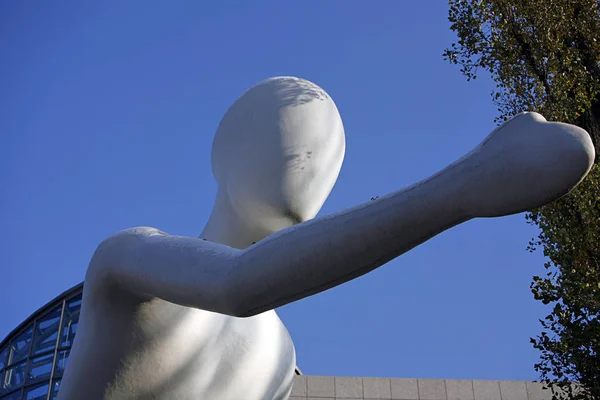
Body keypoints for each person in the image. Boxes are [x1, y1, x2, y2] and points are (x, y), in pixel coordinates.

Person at [58, 77, 595, 400]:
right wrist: (464, 187)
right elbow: (238, 286)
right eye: (293, 133)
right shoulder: (125, 262)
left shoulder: (278, 352)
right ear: (228, 147)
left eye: (329, 157)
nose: (312, 163)